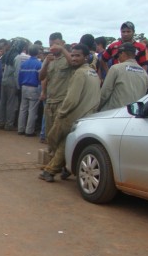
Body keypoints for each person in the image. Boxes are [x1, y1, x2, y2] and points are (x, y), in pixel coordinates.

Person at [39, 44, 100, 182]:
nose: (73, 58)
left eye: (77, 55)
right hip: (87, 115)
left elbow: (71, 99)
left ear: (86, 57)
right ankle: (65, 168)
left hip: (72, 114)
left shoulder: (79, 73)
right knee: (64, 142)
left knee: (56, 140)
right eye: (72, 55)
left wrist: (61, 113)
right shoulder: (93, 72)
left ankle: (51, 170)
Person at [38, 32, 72, 148]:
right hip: (50, 101)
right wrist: (46, 63)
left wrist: (62, 49)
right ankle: (51, 155)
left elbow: (72, 63)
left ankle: (57, 160)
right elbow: (41, 77)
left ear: (62, 43)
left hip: (62, 101)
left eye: (57, 44)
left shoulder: (67, 58)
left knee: (59, 132)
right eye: (51, 45)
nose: (54, 48)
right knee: (49, 133)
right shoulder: (49, 60)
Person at [98, 42, 148, 112]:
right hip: (134, 115)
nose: (118, 58)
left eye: (118, 55)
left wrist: (96, 108)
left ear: (122, 53)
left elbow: (104, 94)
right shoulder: (144, 73)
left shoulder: (115, 69)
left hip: (113, 114)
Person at [17, 45, 43, 136]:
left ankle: (20, 129)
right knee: (32, 110)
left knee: (23, 109)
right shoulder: (39, 64)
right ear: (37, 53)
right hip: (34, 87)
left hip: (24, 86)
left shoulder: (24, 63)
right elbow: (40, 78)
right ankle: (29, 131)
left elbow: (19, 76)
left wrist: (20, 86)